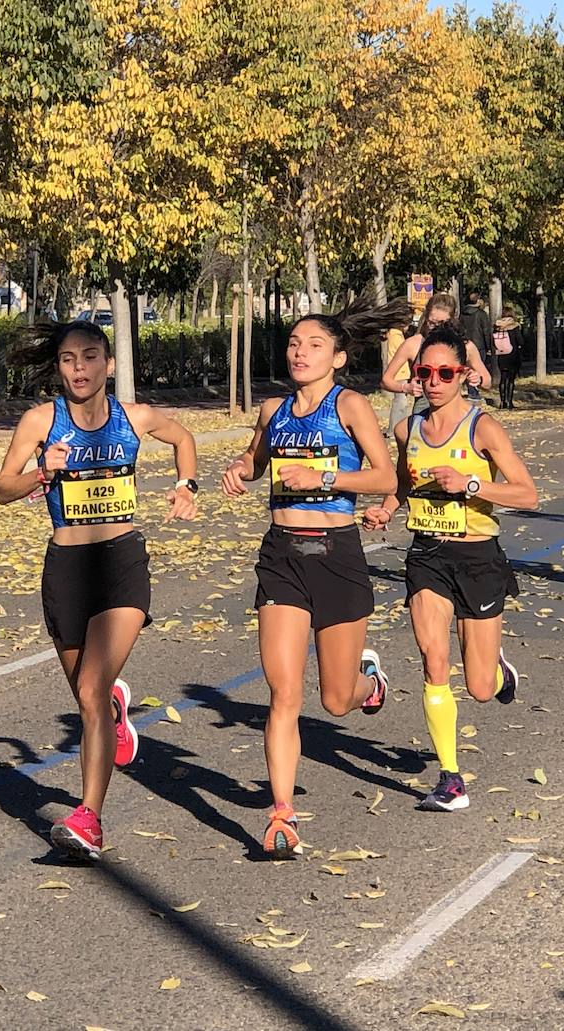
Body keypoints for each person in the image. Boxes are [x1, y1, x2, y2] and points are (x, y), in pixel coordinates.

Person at [0, 320, 199, 860]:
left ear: (108, 364)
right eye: (67, 359)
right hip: (65, 567)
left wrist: (185, 485)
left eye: (89, 357)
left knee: (87, 693)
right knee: (88, 695)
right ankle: (114, 706)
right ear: (58, 367)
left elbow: (183, 438)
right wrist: (41, 472)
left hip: (121, 563)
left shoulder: (133, 417)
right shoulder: (41, 421)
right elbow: (1, 489)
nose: (78, 368)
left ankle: (89, 819)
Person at [222, 299, 405, 858]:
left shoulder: (349, 406)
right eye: (295, 344)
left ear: (338, 357)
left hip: (337, 554)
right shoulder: (272, 410)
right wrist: (239, 471)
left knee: (334, 699)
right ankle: (282, 815)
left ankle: (368, 683)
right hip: (281, 555)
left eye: (315, 345)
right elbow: (255, 461)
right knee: (283, 693)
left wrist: (322, 473)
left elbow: (385, 475)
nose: (301, 353)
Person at [363, 325, 538, 813]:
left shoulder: (483, 428)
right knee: (433, 659)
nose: (433, 381)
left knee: (480, 688)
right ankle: (451, 779)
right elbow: (401, 484)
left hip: (478, 557)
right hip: (427, 556)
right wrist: (385, 508)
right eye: (425, 373)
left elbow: (528, 493)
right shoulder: (408, 430)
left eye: (444, 372)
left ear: (463, 375)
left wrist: (472, 486)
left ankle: (500, 675)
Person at [381, 294, 492, 415]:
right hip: (423, 414)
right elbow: (386, 380)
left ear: (452, 320)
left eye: (442, 323)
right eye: (432, 323)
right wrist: (406, 388)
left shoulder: (465, 346)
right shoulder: (413, 344)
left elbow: (488, 381)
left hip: (454, 414)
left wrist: (478, 379)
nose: (436, 328)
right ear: (426, 317)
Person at [493, 309, 522, 410]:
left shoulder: (497, 327)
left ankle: (502, 402)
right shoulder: (514, 326)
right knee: (511, 379)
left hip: (501, 354)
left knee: (503, 378)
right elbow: (520, 340)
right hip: (513, 354)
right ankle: (509, 402)